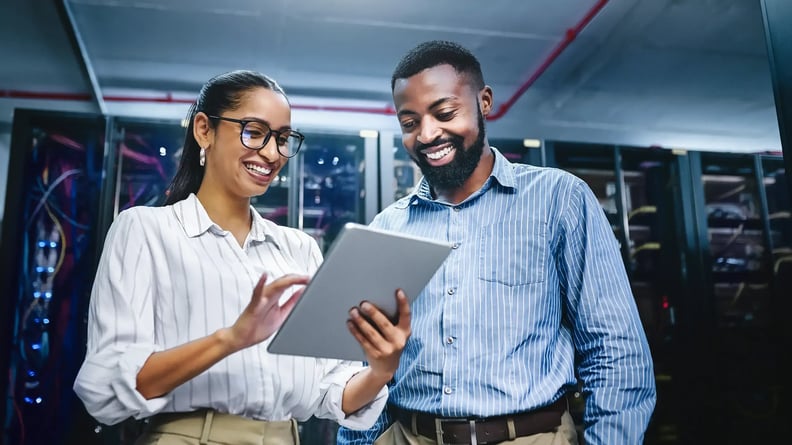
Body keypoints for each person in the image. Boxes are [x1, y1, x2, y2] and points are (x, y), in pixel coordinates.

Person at [337, 40, 656, 445]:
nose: (428, 133)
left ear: (484, 101)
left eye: (444, 113)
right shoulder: (388, 225)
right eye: (410, 122)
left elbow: (615, 351)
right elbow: (366, 361)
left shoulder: (559, 199)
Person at [73, 70, 411, 445]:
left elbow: (331, 392)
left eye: (283, 139)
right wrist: (230, 339)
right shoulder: (146, 231)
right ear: (204, 130)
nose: (271, 153)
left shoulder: (299, 249)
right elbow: (104, 390)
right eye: (254, 132)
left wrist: (381, 368)